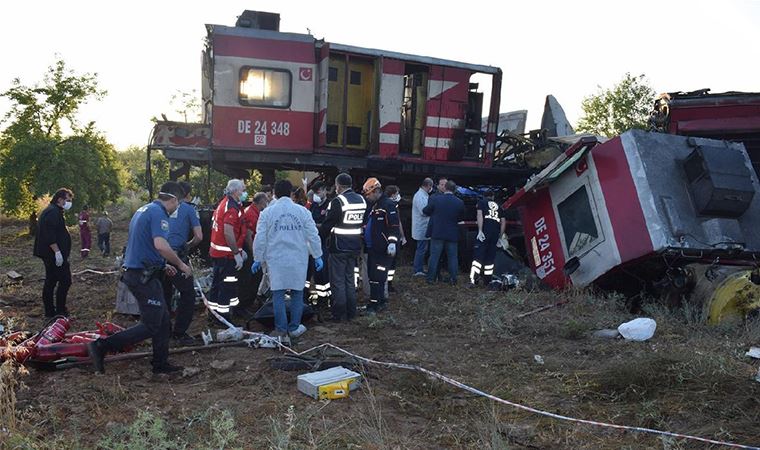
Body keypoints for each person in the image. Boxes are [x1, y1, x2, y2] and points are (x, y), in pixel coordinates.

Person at [88, 182, 192, 374]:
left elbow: (144, 245)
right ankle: (102, 346)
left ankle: (160, 364)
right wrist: (180, 264)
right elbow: (160, 245)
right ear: (174, 199)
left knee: (162, 319)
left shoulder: (144, 210)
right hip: (141, 277)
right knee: (152, 324)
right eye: (178, 204)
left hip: (145, 273)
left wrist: (163, 265)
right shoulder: (159, 214)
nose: (177, 209)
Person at [251, 180, 323, 344]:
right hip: (298, 258)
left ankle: (281, 329)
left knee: (278, 294)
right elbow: (313, 234)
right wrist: (317, 254)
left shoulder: (267, 213)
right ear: (291, 193)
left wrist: (257, 258)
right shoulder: (302, 212)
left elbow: (260, 238)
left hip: (277, 259)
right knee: (297, 292)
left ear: (274, 193)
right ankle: (294, 327)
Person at [320, 173, 366, 322]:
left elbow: (328, 224)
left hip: (339, 247)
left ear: (338, 185)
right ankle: (351, 312)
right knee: (349, 280)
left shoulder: (338, 201)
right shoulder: (361, 200)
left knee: (338, 281)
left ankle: (339, 314)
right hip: (355, 246)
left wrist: (319, 237)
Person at [161, 181, 203, 345]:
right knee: (188, 294)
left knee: (164, 293)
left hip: (159, 256)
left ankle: (164, 331)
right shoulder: (189, 209)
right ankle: (179, 332)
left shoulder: (159, 207)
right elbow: (199, 236)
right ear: (186, 195)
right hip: (176, 256)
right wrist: (188, 245)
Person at [208, 179, 248, 323]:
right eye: (243, 190)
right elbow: (228, 232)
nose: (244, 192)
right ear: (236, 191)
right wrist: (236, 253)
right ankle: (223, 318)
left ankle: (214, 315)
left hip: (219, 253)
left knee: (218, 285)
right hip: (226, 255)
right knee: (226, 285)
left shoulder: (226, 203)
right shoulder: (231, 207)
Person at [33, 188, 74, 317]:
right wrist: (57, 252)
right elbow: (49, 234)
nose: (69, 203)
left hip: (52, 253)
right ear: (60, 199)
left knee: (52, 280)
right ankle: (59, 310)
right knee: (64, 280)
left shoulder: (54, 211)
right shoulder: (52, 212)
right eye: (68, 200)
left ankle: (51, 311)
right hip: (52, 254)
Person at [362, 178, 400, 313]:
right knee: (374, 276)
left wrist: (392, 243)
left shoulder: (387, 205)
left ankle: (375, 304)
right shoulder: (376, 205)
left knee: (377, 277)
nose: (368, 197)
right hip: (374, 248)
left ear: (376, 191)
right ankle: (378, 302)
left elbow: (394, 226)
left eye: (369, 194)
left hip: (382, 249)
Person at [424, 180, 465, 285]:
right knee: (452, 257)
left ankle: (430, 279)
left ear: (445, 188)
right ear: (454, 190)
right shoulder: (459, 202)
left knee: (434, 256)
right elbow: (461, 217)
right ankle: (453, 279)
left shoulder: (436, 199)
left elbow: (426, 211)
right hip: (452, 234)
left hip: (437, 233)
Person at [238, 191, 268, 313]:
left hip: (251, 249)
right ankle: (244, 305)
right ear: (261, 203)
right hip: (249, 249)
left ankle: (247, 303)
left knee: (255, 276)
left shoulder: (253, 211)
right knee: (251, 277)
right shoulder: (251, 213)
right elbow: (248, 235)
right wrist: (254, 253)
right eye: (265, 202)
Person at [307, 181, 331, 306]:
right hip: (311, 243)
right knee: (312, 272)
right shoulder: (314, 206)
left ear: (324, 190)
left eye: (318, 192)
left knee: (323, 273)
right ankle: (313, 297)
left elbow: (327, 225)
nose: (317, 194)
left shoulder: (329, 205)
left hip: (323, 242)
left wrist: (313, 226)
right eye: (315, 192)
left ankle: (325, 299)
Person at [470, 190, 501, 286]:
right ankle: (488, 281)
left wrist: (480, 230)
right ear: (493, 197)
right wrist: (500, 235)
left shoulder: (481, 203)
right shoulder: (499, 206)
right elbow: (503, 221)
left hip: (484, 233)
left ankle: (474, 280)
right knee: (490, 259)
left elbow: (479, 215)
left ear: (484, 196)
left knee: (478, 257)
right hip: (495, 234)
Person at [384, 185, 406, 293]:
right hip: (392, 238)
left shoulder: (385, 204)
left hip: (389, 237)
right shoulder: (392, 206)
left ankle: (388, 283)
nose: (398, 196)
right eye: (397, 193)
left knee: (390, 263)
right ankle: (388, 284)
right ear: (393, 194)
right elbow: (397, 223)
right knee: (391, 262)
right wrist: (402, 236)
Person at [412, 178, 433, 277]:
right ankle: (418, 269)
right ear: (428, 185)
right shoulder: (420, 196)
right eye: (431, 186)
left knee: (422, 248)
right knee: (421, 249)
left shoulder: (422, 195)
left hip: (423, 226)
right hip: (421, 227)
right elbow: (424, 211)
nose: (431, 188)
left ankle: (419, 267)